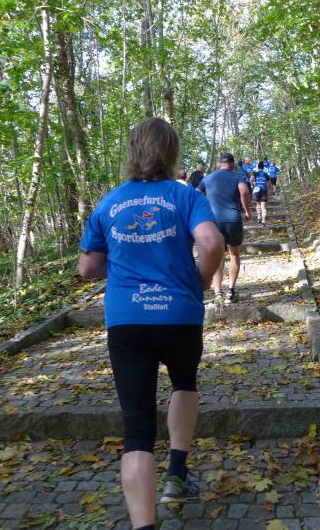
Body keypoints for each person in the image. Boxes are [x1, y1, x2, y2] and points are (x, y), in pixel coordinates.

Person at [78, 117, 224, 530]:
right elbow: (211, 242)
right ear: (172, 152)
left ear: (132, 151)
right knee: (184, 383)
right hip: (180, 315)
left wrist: (123, 265)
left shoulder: (110, 202)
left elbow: (87, 268)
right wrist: (198, 280)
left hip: (127, 321)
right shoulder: (186, 195)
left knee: (137, 431)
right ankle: (176, 473)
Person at [198, 153, 251, 304]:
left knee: (218, 257)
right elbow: (244, 192)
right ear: (233, 164)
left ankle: (218, 293)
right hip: (233, 219)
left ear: (219, 164)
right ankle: (231, 291)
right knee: (234, 254)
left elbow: (195, 194)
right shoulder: (238, 176)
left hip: (214, 221)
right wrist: (247, 211)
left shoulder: (208, 178)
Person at [250, 161, 270, 226]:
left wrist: (252, 185)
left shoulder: (255, 173)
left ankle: (259, 217)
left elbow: (251, 179)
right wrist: (270, 189)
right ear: (263, 168)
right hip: (264, 189)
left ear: (258, 167)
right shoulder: (265, 174)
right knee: (263, 207)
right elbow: (269, 183)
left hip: (257, 189)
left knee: (258, 204)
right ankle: (263, 221)